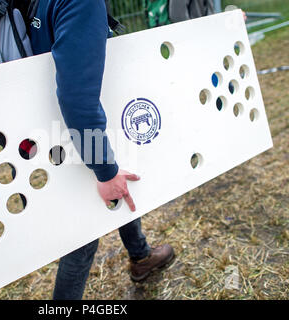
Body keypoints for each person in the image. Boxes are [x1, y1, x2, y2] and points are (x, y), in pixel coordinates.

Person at [28, 0, 175, 300]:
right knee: (85, 228)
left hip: (51, 126)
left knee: (118, 177)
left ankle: (141, 255)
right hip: (75, 128)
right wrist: (104, 169)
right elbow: (77, 98)